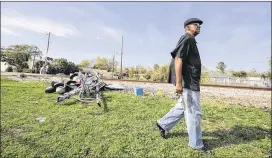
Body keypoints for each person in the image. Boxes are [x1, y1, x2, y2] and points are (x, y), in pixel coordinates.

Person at [156, 18, 209, 152]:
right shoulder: (187, 38)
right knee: (194, 112)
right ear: (187, 27)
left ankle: (163, 124)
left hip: (190, 81)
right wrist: (178, 83)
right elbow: (178, 59)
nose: (198, 26)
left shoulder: (190, 40)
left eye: (199, 25)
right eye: (195, 24)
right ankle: (196, 144)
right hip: (189, 82)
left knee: (182, 106)